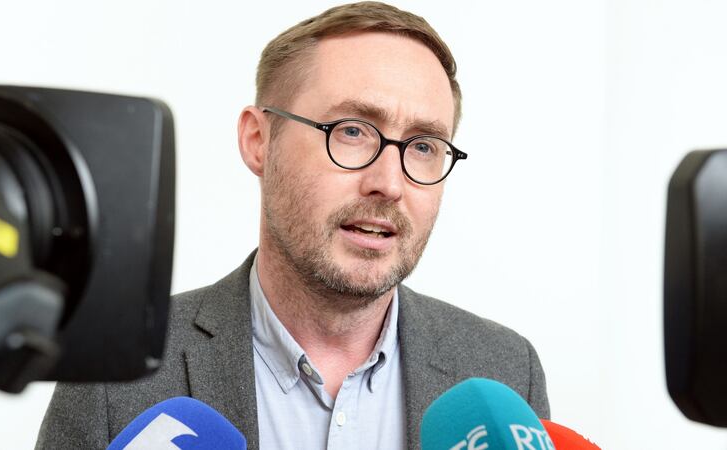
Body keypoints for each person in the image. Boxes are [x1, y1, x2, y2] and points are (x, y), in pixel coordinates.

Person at [36, 2, 550, 449]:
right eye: (351, 131)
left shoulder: (504, 371)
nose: (389, 183)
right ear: (259, 141)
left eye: (422, 146)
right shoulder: (114, 375)